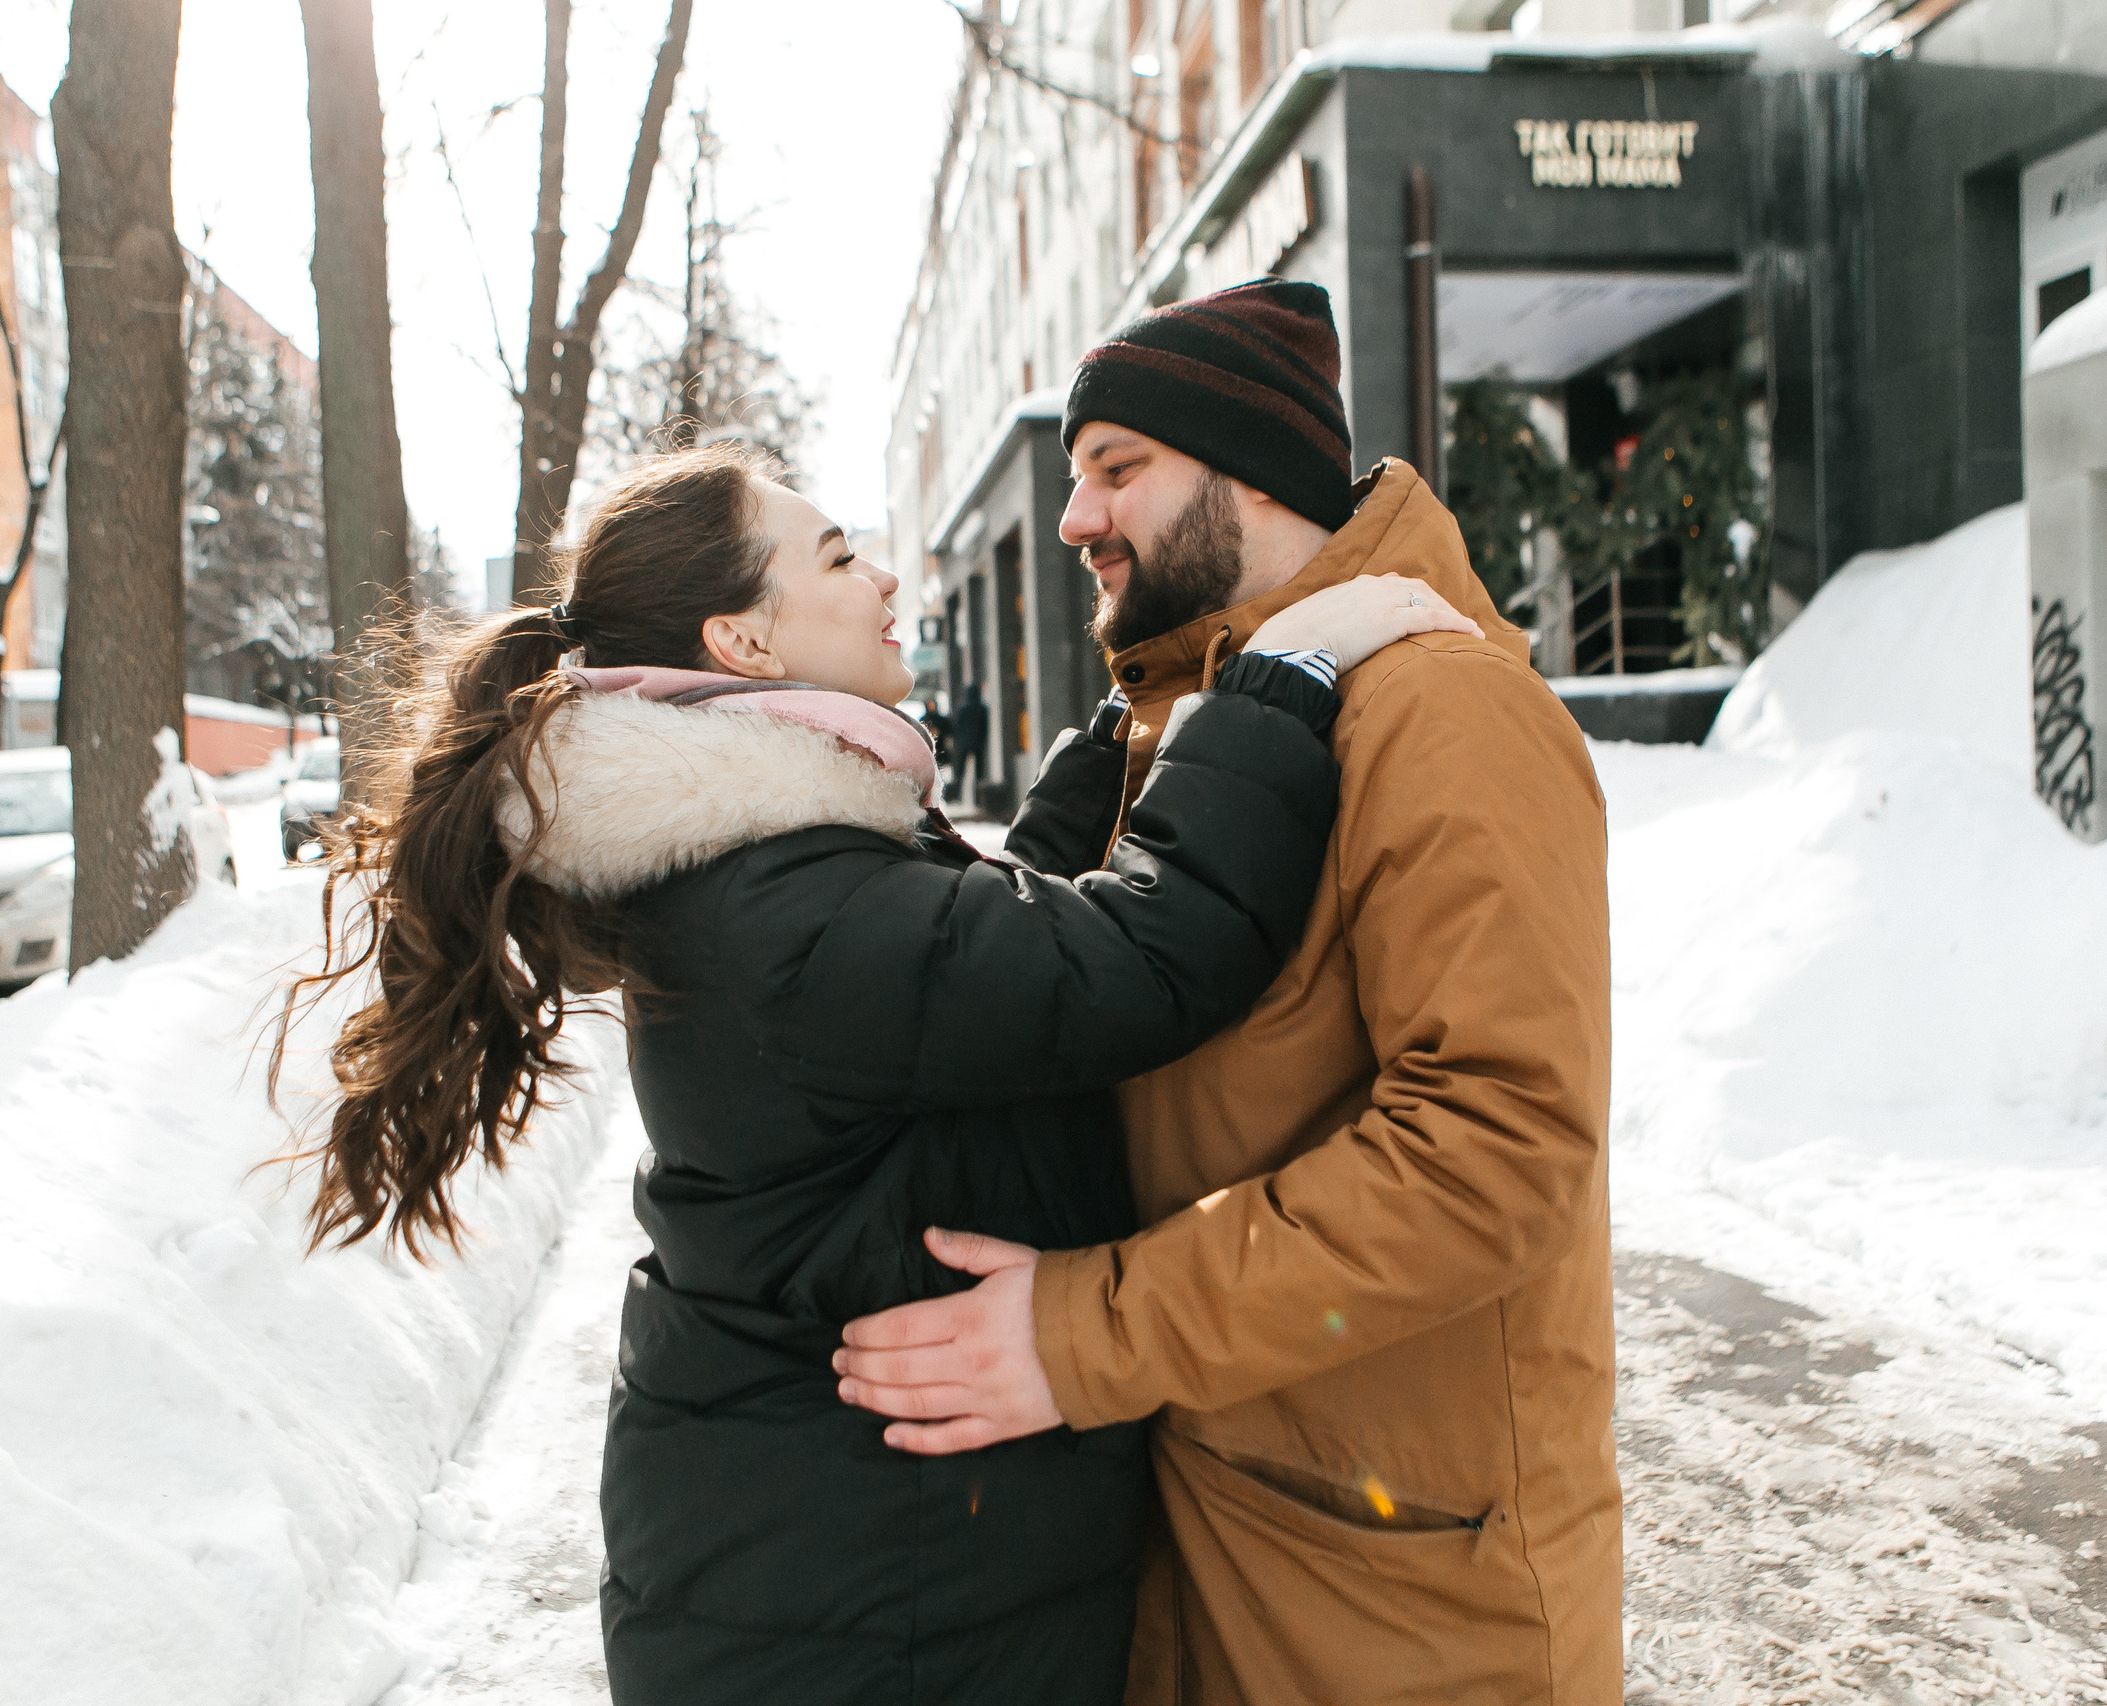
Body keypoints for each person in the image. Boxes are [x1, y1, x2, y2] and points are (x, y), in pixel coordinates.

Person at [283, 441, 1473, 1706]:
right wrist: (1273, 690)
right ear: (742, 643)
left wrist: (1125, 736)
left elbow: (982, 939)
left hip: (860, 1576)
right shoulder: (775, 909)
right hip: (868, 1614)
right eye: (841, 557)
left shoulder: (765, 862)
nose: (887, 578)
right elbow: (1133, 960)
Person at [833, 279, 1621, 1705]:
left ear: (1251, 478)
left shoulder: (1444, 710)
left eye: (1117, 471)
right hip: (1221, 1541)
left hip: (1401, 1608)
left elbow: (1495, 1154)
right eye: (1077, 479)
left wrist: (1085, 1335)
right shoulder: (1193, 721)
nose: (1076, 520)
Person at [948, 678, 988, 806]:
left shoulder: (963, 709)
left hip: (964, 743)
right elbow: (984, 728)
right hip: (977, 744)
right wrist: (982, 741)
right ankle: (979, 800)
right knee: (979, 774)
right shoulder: (982, 709)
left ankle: (957, 798)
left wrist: (959, 740)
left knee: (960, 773)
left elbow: (957, 727)